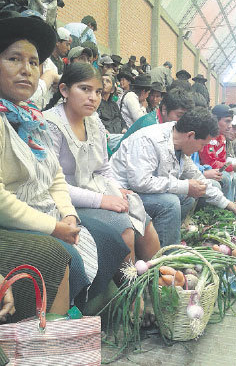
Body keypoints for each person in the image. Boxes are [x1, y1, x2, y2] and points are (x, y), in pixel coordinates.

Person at [0, 11, 101, 314]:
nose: (26, 70)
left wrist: (68, 216)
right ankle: (52, 342)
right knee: (57, 254)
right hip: (11, 221)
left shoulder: (31, 117)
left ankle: (82, 318)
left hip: (46, 212)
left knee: (109, 236)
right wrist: (53, 227)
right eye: (14, 59)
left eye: (33, 63)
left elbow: (55, 175)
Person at [44, 63, 160, 285]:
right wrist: (102, 200)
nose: (93, 98)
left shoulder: (94, 121)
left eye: (97, 91)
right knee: (123, 227)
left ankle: (160, 284)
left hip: (95, 190)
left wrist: (116, 191)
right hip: (65, 202)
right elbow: (53, 184)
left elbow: (103, 168)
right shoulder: (51, 124)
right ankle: (131, 299)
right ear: (64, 90)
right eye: (85, 89)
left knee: (143, 219)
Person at [110, 108, 236, 247]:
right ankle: (166, 253)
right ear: (190, 135)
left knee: (189, 196)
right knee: (170, 202)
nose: (201, 150)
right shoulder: (150, 140)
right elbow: (140, 182)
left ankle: (166, 239)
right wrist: (185, 186)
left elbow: (198, 178)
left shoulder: (179, 146)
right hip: (122, 192)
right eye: (202, 144)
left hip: (145, 191)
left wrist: (226, 203)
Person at [199, 104, 236, 201]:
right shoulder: (208, 136)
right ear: (215, 120)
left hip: (217, 169)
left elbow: (223, 161)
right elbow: (210, 164)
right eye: (227, 121)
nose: (230, 126)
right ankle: (228, 207)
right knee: (226, 176)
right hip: (205, 171)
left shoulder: (222, 137)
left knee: (232, 173)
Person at [97, 74, 127, 151]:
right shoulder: (96, 103)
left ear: (112, 90)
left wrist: (124, 128)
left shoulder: (114, 104)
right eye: (102, 80)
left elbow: (122, 120)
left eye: (107, 81)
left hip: (119, 135)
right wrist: (102, 131)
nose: (104, 83)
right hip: (107, 138)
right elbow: (94, 121)